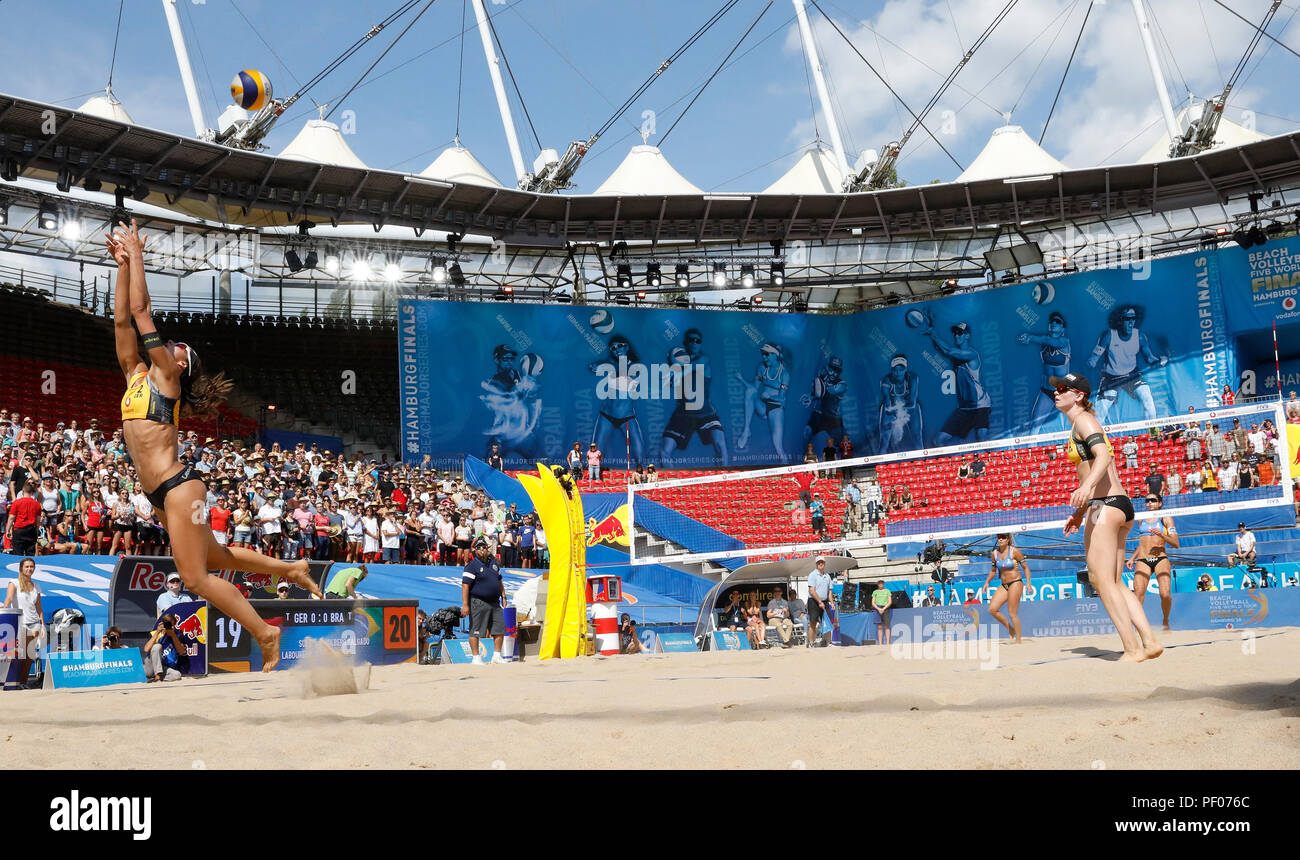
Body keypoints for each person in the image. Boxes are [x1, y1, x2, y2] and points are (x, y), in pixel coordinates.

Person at [1053, 372, 1161, 661]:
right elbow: (1094, 466)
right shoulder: (1079, 423)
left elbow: (1103, 456)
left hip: (1106, 505)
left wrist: (1085, 488)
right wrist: (1079, 513)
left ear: (1079, 396)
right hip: (1117, 504)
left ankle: (1132, 648)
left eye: (1063, 389)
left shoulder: (1084, 420)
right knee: (1114, 582)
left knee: (1100, 580)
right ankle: (1149, 642)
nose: (1056, 392)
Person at [659, 328, 729, 466]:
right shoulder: (675, 365)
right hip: (683, 414)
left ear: (701, 344)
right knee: (664, 452)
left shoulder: (704, 359)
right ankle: (671, 487)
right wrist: (672, 370)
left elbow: (693, 367)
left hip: (706, 413)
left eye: (698, 341)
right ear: (685, 343)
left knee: (721, 446)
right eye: (691, 340)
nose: (694, 343)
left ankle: (724, 484)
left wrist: (674, 364)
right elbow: (668, 383)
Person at [1087, 305, 1168, 423]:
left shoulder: (1140, 337)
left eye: (1133, 318)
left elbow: (1150, 359)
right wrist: (1092, 361)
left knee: (1148, 400)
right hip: (1111, 378)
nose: (1131, 322)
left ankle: (1153, 434)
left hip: (1132, 376)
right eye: (1127, 319)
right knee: (1099, 415)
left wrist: (1160, 361)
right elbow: (1094, 358)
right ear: (1120, 321)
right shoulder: (1108, 335)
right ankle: (1099, 440)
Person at [927, 322, 992, 445]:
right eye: (955, 333)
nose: (957, 336)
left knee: (982, 439)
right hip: (964, 408)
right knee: (937, 441)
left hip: (980, 405)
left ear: (967, 336)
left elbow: (949, 351)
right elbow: (940, 348)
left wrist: (934, 334)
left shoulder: (971, 354)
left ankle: (994, 462)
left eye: (960, 333)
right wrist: (931, 329)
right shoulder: (956, 356)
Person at [1126, 494, 1179, 630]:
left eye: (1153, 500)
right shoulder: (1141, 519)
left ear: (1160, 503)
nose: (1149, 503)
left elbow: (1176, 544)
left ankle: (1166, 620)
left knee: (1165, 594)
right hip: (1143, 559)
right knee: (1138, 595)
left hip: (1161, 558)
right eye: (1147, 501)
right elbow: (1143, 543)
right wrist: (1132, 558)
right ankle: (1139, 626)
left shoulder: (1165, 518)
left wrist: (1162, 535)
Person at [735, 342, 791, 462]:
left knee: (779, 447)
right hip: (762, 405)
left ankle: (787, 472)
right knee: (749, 392)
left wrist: (770, 395)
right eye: (763, 354)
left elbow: (781, 397)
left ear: (775, 355)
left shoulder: (785, 374)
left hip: (776, 407)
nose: (764, 357)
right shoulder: (762, 367)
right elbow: (754, 388)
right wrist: (742, 380)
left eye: (767, 354)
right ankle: (746, 431)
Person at [1017, 311, 1071, 430]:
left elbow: (1052, 342)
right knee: (1035, 425)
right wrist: (1027, 338)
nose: (1054, 323)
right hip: (1047, 392)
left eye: (1058, 321)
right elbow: (1044, 339)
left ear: (1063, 329)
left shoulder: (1064, 341)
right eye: (1052, 321)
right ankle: (1031, 447)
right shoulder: (1043, 341)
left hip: (1064, 392)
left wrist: (1030, 337)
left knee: (1071, 426)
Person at [461, 536, 507, 665]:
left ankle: (497, 656)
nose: (482, 550)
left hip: (495, 602)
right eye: (479, 547)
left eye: (484, 547)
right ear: (475, 550)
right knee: (475, 630)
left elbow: (499, 581)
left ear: (488, 549)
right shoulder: (472, 566)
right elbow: (465, 586)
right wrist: (465, 605)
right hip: (478, 601)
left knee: (499, 629)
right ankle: (476, 657)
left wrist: (504, 596)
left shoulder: (494, 563)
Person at [2, 557, 43, 686]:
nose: (29, 569)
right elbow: (8, 599)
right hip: (20, 622)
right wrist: (3, 607)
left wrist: (42, 623)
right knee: (19, 654)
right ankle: (13, 681)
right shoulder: (14, 582)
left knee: (29, 656)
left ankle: (23, 682)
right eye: (27, 566)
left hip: (34, 622)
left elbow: (38, 606)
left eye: (32, 566)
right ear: (21, 568)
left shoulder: (36, 586)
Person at [982, 533, 1030, 644]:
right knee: (992, 609)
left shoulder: (1014, 551)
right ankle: (1011, 630)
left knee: (1012, 613)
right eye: (999, 537)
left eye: (1003, 537)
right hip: (1004, 585)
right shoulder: (994, 553)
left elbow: (1026, 567)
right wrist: (987, 582)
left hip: (1016, 582)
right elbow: (993, 571)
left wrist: (1028, 583)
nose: (1001, 539)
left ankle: (1018, 641)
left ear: (1008, 539)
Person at [802, 356, 848, 456]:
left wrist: (812, 395)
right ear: (828, 368)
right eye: (831, 369)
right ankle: (806, 460)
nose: (833, 373)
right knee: (806, 433)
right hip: (818, 415)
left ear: (840, 372)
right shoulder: (821, 378)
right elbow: (818, 392)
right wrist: (811, 396)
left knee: (842, 445)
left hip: (833, 419)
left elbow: (825, 392)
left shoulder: (842, 385)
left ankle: (846, 467)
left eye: (837, 370)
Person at [878, 353, 923, 453]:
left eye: (901, 370)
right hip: (891, 409)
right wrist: (895, 413)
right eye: (895, 370)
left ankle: (922, 463)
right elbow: (887, 404)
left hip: (910, 408)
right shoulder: (886, 381)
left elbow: (912, 403)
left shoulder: (913, 378)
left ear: (906, 369)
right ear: (891, 370)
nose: (898, 373)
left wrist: (900, 412)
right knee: (884, 440)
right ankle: (880, 466)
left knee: (917, 436)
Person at [143, 614, 189, 682]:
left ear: (175, 624)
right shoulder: (154, 633)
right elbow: (146, 649)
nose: (169, 627)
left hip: (164, 667)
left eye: (171, 625)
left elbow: (182, 652)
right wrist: (157, 632)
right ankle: (157, 675)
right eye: (167, 624)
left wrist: (173, 636)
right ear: (162, 624)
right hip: (151, 666)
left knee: (177, 675)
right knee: (157, 646)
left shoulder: (177, 634)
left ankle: (156, 678)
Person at [5, 481, 42, 557]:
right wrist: (36, 530)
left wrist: (7, 530)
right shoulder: (37, 504)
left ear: (22, 491)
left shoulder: (17, 503)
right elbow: (38, 520)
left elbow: (11, 517)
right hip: (31, 530)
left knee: (17, 554)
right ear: (32, 492)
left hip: (19, 530)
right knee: (30, 553)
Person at [806, 557, 832, 647]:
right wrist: (820, 602)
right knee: (813, 623)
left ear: (824, 563)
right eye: (819, 562)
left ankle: (829, 643)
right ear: (816, 564)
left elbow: (829, 591)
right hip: (813, 601)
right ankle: (811, 643)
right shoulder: (812, 575)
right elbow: (812, 591)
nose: (820, 564)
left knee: (827, 622)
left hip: (824, 601)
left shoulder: (827, 576)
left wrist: (832, 603)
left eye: (822, 562)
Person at [871, 580, 892, 645]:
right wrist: (878, 609)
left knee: (887, 626)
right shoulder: (875, 592)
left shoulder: (887, 591)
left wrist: (883, 608)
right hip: (878, 608)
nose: (881, 584)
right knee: (879, 627)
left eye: (882, 583)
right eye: (879, 583)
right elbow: (873, 602)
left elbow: (890, 602)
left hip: (885, 608)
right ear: (878, 584)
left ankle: (888, 643)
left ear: (883, 584)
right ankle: (880, 644)